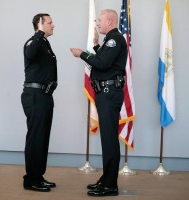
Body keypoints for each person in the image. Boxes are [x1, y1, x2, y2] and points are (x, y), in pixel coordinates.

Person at [70, 9, 127, 197]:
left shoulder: (114, 39)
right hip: (107, 93)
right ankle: (106, 179)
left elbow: (101, 65)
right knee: (107, 139)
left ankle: (110, 185)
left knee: (109, 140)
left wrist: (82, 54)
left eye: (100, 20)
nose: (98, 23)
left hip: (109, 93)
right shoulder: (110, 40)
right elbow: (105, 61)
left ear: (110, 21)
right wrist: (95, 47)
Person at [21, 13, 58, 192]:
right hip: (34, 95)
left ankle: (38, 175)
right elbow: (29, 53)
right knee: (35, 137)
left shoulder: (45, 43)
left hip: (44, 95)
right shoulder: (33, 42)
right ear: (40, 24)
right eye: (50, 22)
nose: (53, 25)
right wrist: (38, 34)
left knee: (43, 137)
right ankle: (31, 179)